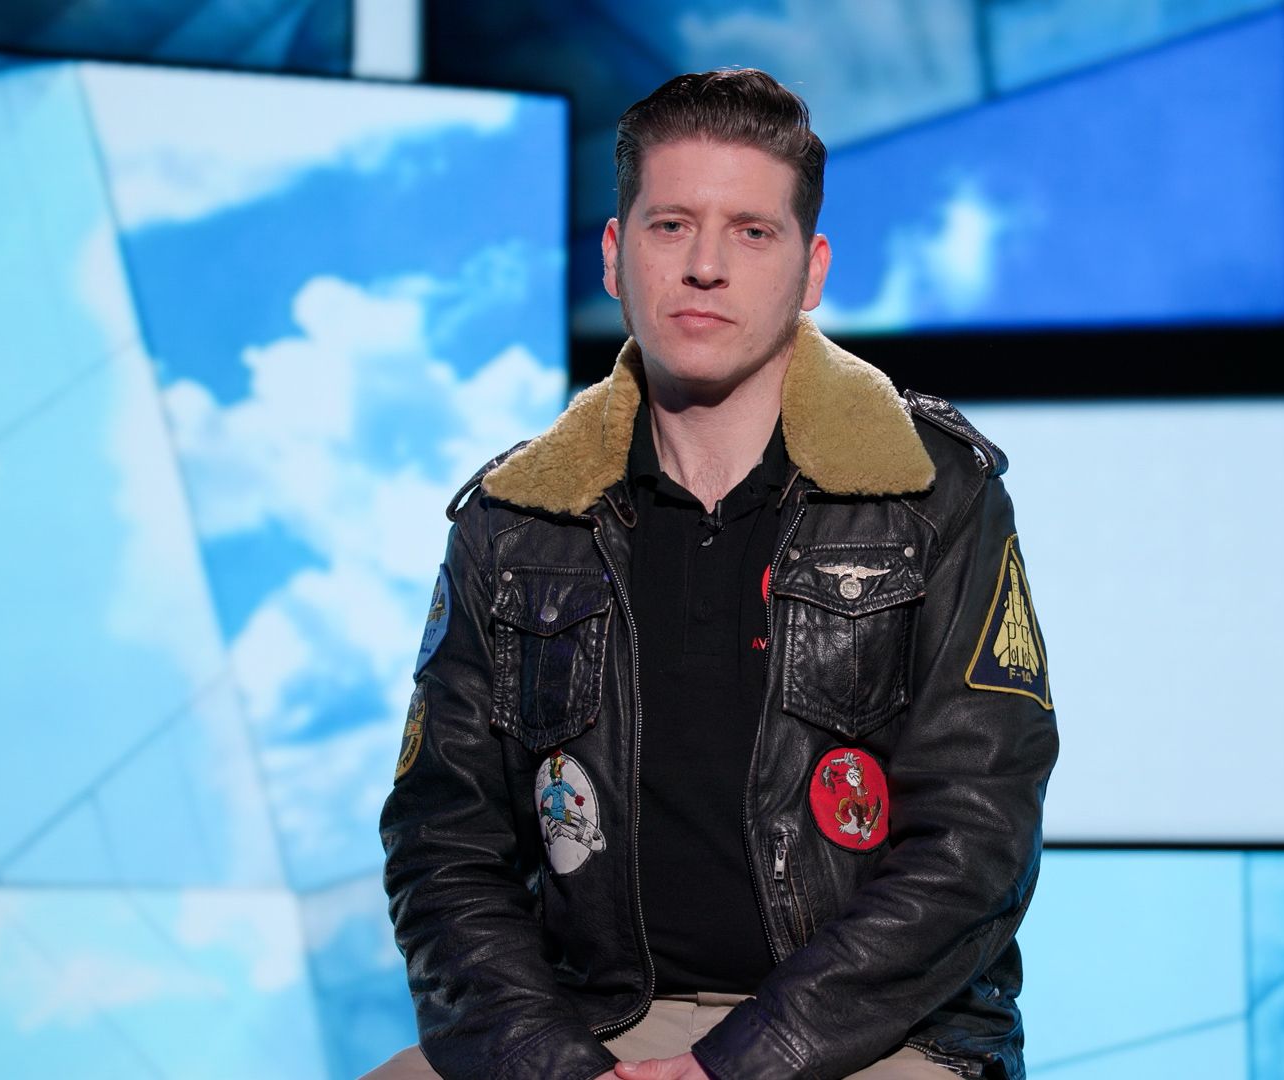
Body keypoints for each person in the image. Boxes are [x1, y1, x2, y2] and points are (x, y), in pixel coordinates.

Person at [368, 68, 1059, 1080]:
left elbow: (976, 841)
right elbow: (444, 845)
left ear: (811, 270)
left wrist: (732, 1066)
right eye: (671, 226)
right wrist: (553, 1063)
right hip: (595, 1028)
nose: (704, 267)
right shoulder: (514, 522)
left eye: (751, 232)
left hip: (865, 1032)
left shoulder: (932, 494)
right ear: (615, 255)